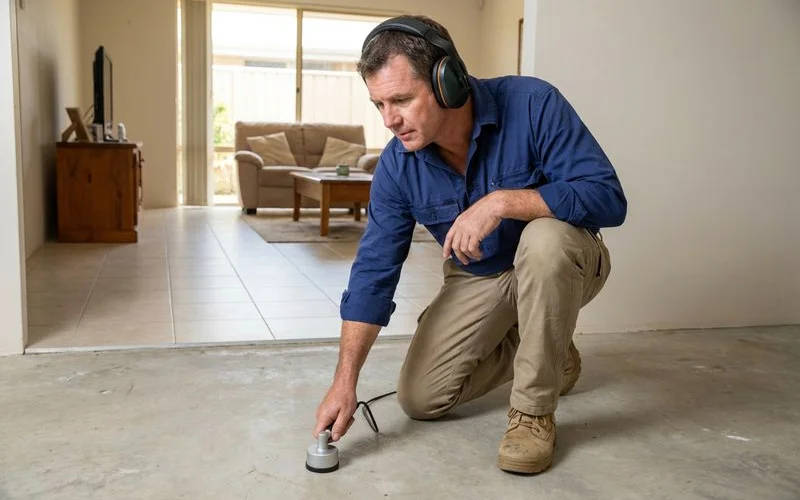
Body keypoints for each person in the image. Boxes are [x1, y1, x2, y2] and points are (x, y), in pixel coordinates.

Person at [313, 14, 627, 474]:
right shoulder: (398, 166)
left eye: (401, 99)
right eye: (378, 104)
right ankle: (555, 356)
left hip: (563, 259)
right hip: (479, 273)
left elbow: (609, 199)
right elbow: (374, 272)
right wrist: (344, 381)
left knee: (544, 238)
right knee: (420, 398)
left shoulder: (534, 103)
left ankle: (533, 413)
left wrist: (505, 202)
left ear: (448, 82)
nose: (389, 120)